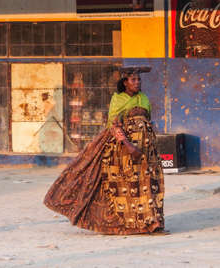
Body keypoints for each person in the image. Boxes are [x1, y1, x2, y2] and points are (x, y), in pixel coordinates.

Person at [43, 66, 165, 235]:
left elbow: (148, 119)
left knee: (148, 183)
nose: (137, 83)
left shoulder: (143, 98)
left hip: (146, 149)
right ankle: (134, 223)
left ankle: (153, 223)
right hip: (125, 149)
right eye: (133, 80)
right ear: (125, 83)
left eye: (139, 80)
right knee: (128, 186)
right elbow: (113, 124)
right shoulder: (118, 99)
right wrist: (127, 144)